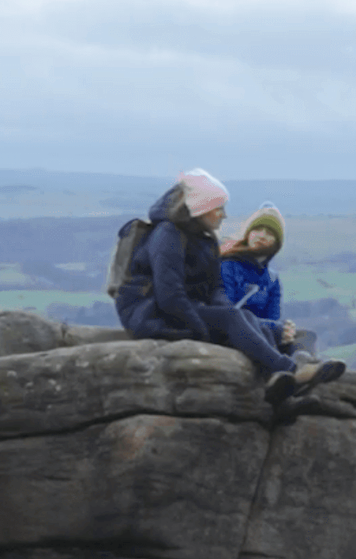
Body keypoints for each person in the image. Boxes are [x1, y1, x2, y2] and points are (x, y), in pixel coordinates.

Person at [112, 171, 335, 404]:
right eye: (218, 208)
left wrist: (227, 313)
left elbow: (216, 288)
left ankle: (279, 387)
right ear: (200, 208)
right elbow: (170, 297)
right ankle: (290, 370)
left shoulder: (205, 239)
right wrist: (203, 332)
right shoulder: (167, 235)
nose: (224, 214)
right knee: (232, 319)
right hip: (151, 314)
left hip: (180, 310)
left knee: (244, 317)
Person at [216, 204, 343, 392]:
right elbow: (229, 310)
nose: (261, 235)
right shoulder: (228, 265)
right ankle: (283, 378)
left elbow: (273, 317)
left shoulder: (272, 279)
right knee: (269, 333)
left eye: (269, 232)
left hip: (262, 328)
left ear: (276, 242)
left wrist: (285, 330)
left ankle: (305, 371)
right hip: (237, 331)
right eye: (257, 229)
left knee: (306, 336)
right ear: (248, 234)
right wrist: (276, 328)